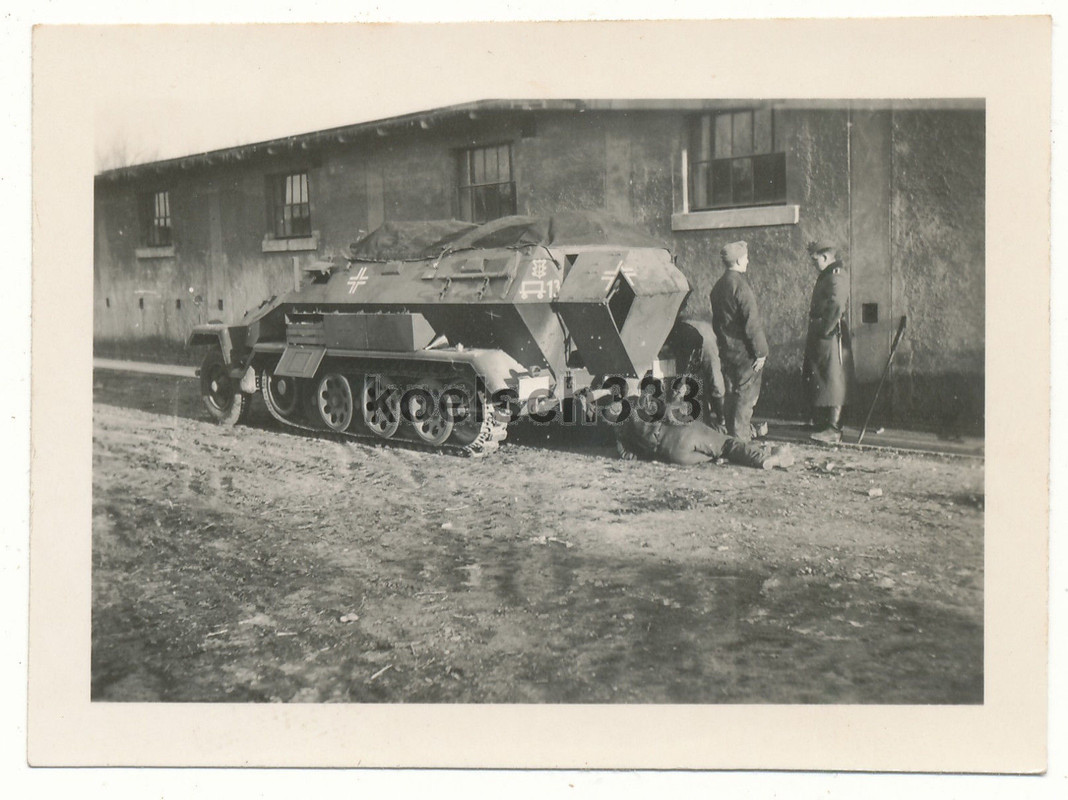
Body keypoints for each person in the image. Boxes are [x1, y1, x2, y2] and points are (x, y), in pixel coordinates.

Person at [614, 394, 793, 469]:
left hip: (674, 456)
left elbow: (627, 455)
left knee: (720, 452)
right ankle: (765, 459)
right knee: (726, 444)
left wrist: (655, 456)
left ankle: (755, 443)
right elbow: (668, 413)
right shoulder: (636, 403)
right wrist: (679, 404)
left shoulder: (620, 431)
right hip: (681, 435)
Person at [709, 240, 768, 441]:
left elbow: (718, 323)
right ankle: (741, 441)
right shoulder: (741, 287)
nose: (748, 260)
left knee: (730, 395)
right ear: (739, 260)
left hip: (727, 351)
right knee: (745, 397)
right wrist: (761, 352)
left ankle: (730, 439)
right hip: (745, 354)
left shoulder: (718, 287)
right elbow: (752, 324)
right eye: (746, 257)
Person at [803, 241, 853, 443]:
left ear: (824, 257)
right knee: (822, 377)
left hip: (831, 335)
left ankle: (834, 429)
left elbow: (837, 304)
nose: (814, 264)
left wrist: (825, 330)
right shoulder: (828, 275)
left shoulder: (836, 276)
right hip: (824, 333)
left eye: (815, 260)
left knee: (834, 378)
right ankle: (825, 423)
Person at [662, 316, 726, 430]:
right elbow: (716, 386)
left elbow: (716, 385)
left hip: (695, 340)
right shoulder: (668, 343)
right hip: (680, 339)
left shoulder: (707, 347)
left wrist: (721, 419)